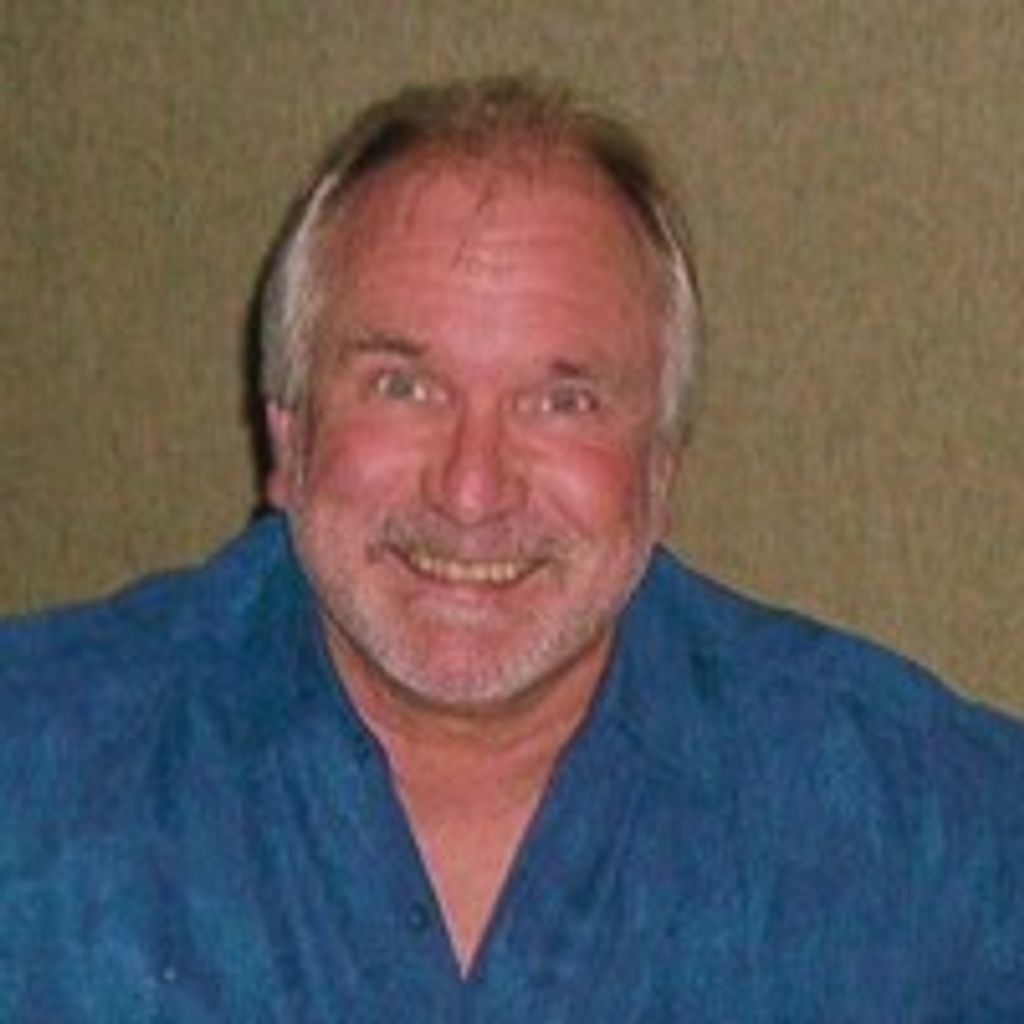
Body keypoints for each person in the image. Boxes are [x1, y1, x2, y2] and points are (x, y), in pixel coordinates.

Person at [2, 77, 1022, 1021]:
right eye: (404, 386)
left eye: (561, 401)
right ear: (289, 438)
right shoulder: (34, 778)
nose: (472, 490)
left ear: (660, 467)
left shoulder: (938, 835)